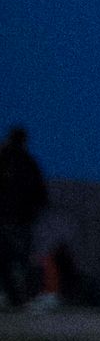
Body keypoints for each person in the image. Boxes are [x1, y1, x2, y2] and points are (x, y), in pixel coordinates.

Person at [0, 125, 46, 308]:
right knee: (22, 259)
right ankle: (24, 297)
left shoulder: (5, 159)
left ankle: (14, 297)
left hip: (7, 219)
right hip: (22, 220)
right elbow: (41, 194)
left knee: (6, 260)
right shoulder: (28, 162)